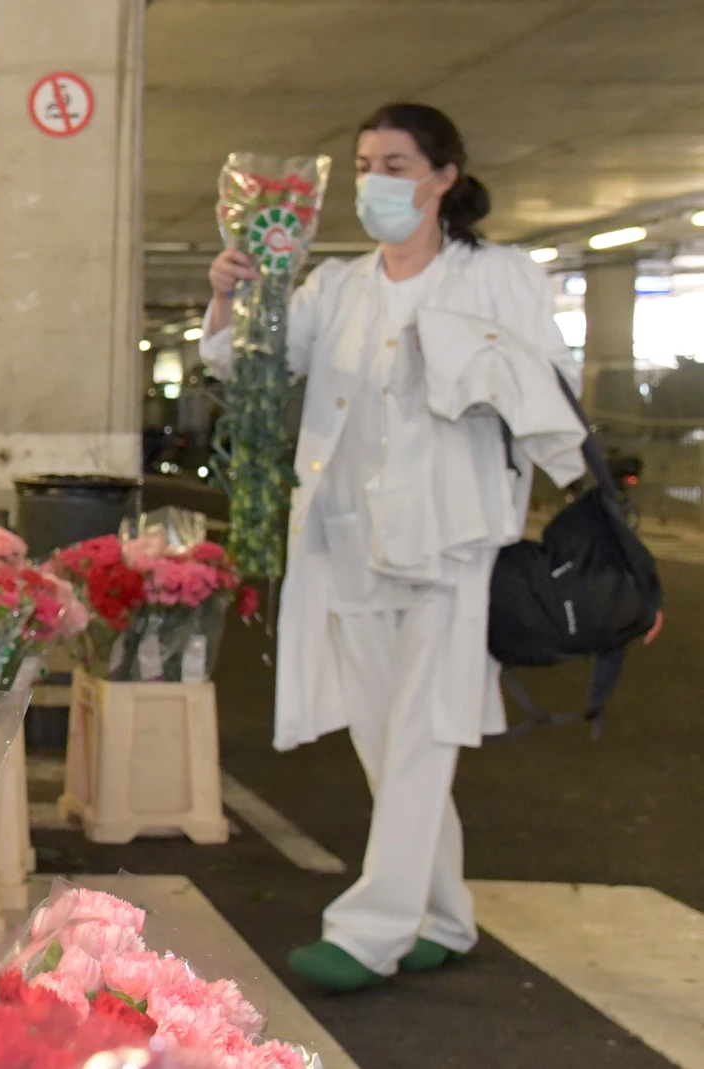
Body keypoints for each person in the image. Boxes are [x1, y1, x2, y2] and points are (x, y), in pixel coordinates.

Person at [202, 104, 591, 992]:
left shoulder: (501, 276)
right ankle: (445, 919)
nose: (379, 179)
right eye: (366, 163)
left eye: (397, 162)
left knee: (421, 736)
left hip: (453, 544)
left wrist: (470, 365)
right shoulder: (336, 285)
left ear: (444, 176)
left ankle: (371, 929)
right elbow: (247, 365)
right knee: (389, 745)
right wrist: (233, 291)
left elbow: (550, 391)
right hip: (346, 542)